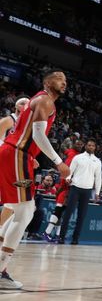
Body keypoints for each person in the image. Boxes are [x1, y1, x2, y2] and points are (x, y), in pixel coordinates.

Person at [0, 71, 70, 289]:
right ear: (47, 82)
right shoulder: (45, 100)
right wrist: (59, 161)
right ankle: (1, 270)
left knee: (17, 209)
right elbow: (39, 136)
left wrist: (32, 158)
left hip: (21, 157)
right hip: (16, 154)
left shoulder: (42, 100)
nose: (64, 82)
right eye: (59, 79)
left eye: (66, 81)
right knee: (25, 211)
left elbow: (31, 135)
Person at [58, 139, 102, 245]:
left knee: (81, 216)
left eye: (93, 146)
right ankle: (62, 237)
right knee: (68, 213)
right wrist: (68, 178)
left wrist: (97, 192)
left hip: (87, 190)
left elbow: (98, 178)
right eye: (89, 145)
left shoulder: (97, 161)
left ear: (95, 148)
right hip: (75, 188)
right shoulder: (77, 157)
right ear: (85, 146)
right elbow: (70, 170)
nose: (91, 147)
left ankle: (75, 239)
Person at [0, 97, 30, 229]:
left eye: (27, 103)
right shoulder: (8, 120)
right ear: (16, 106)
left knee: (12, 200)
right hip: (4, 160)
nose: (25, 105)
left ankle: (1, 228)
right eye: (22, 103)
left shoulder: (26, 124)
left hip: (16, 164)